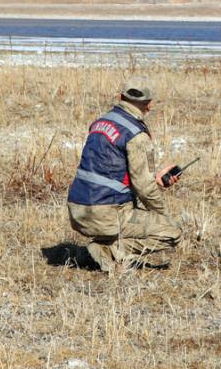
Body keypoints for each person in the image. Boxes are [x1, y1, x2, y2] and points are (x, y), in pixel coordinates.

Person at [67, 77, 183, 272]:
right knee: (172, 232)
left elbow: (111, 173)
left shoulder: (99, 123)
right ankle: (109, 251)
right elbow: (145, 189)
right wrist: (163, 216)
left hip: (77, 210)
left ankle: (102, 245)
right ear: (149, 104)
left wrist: (155, 179)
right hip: (107, 213)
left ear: (120, 97)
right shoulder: (137, 135)